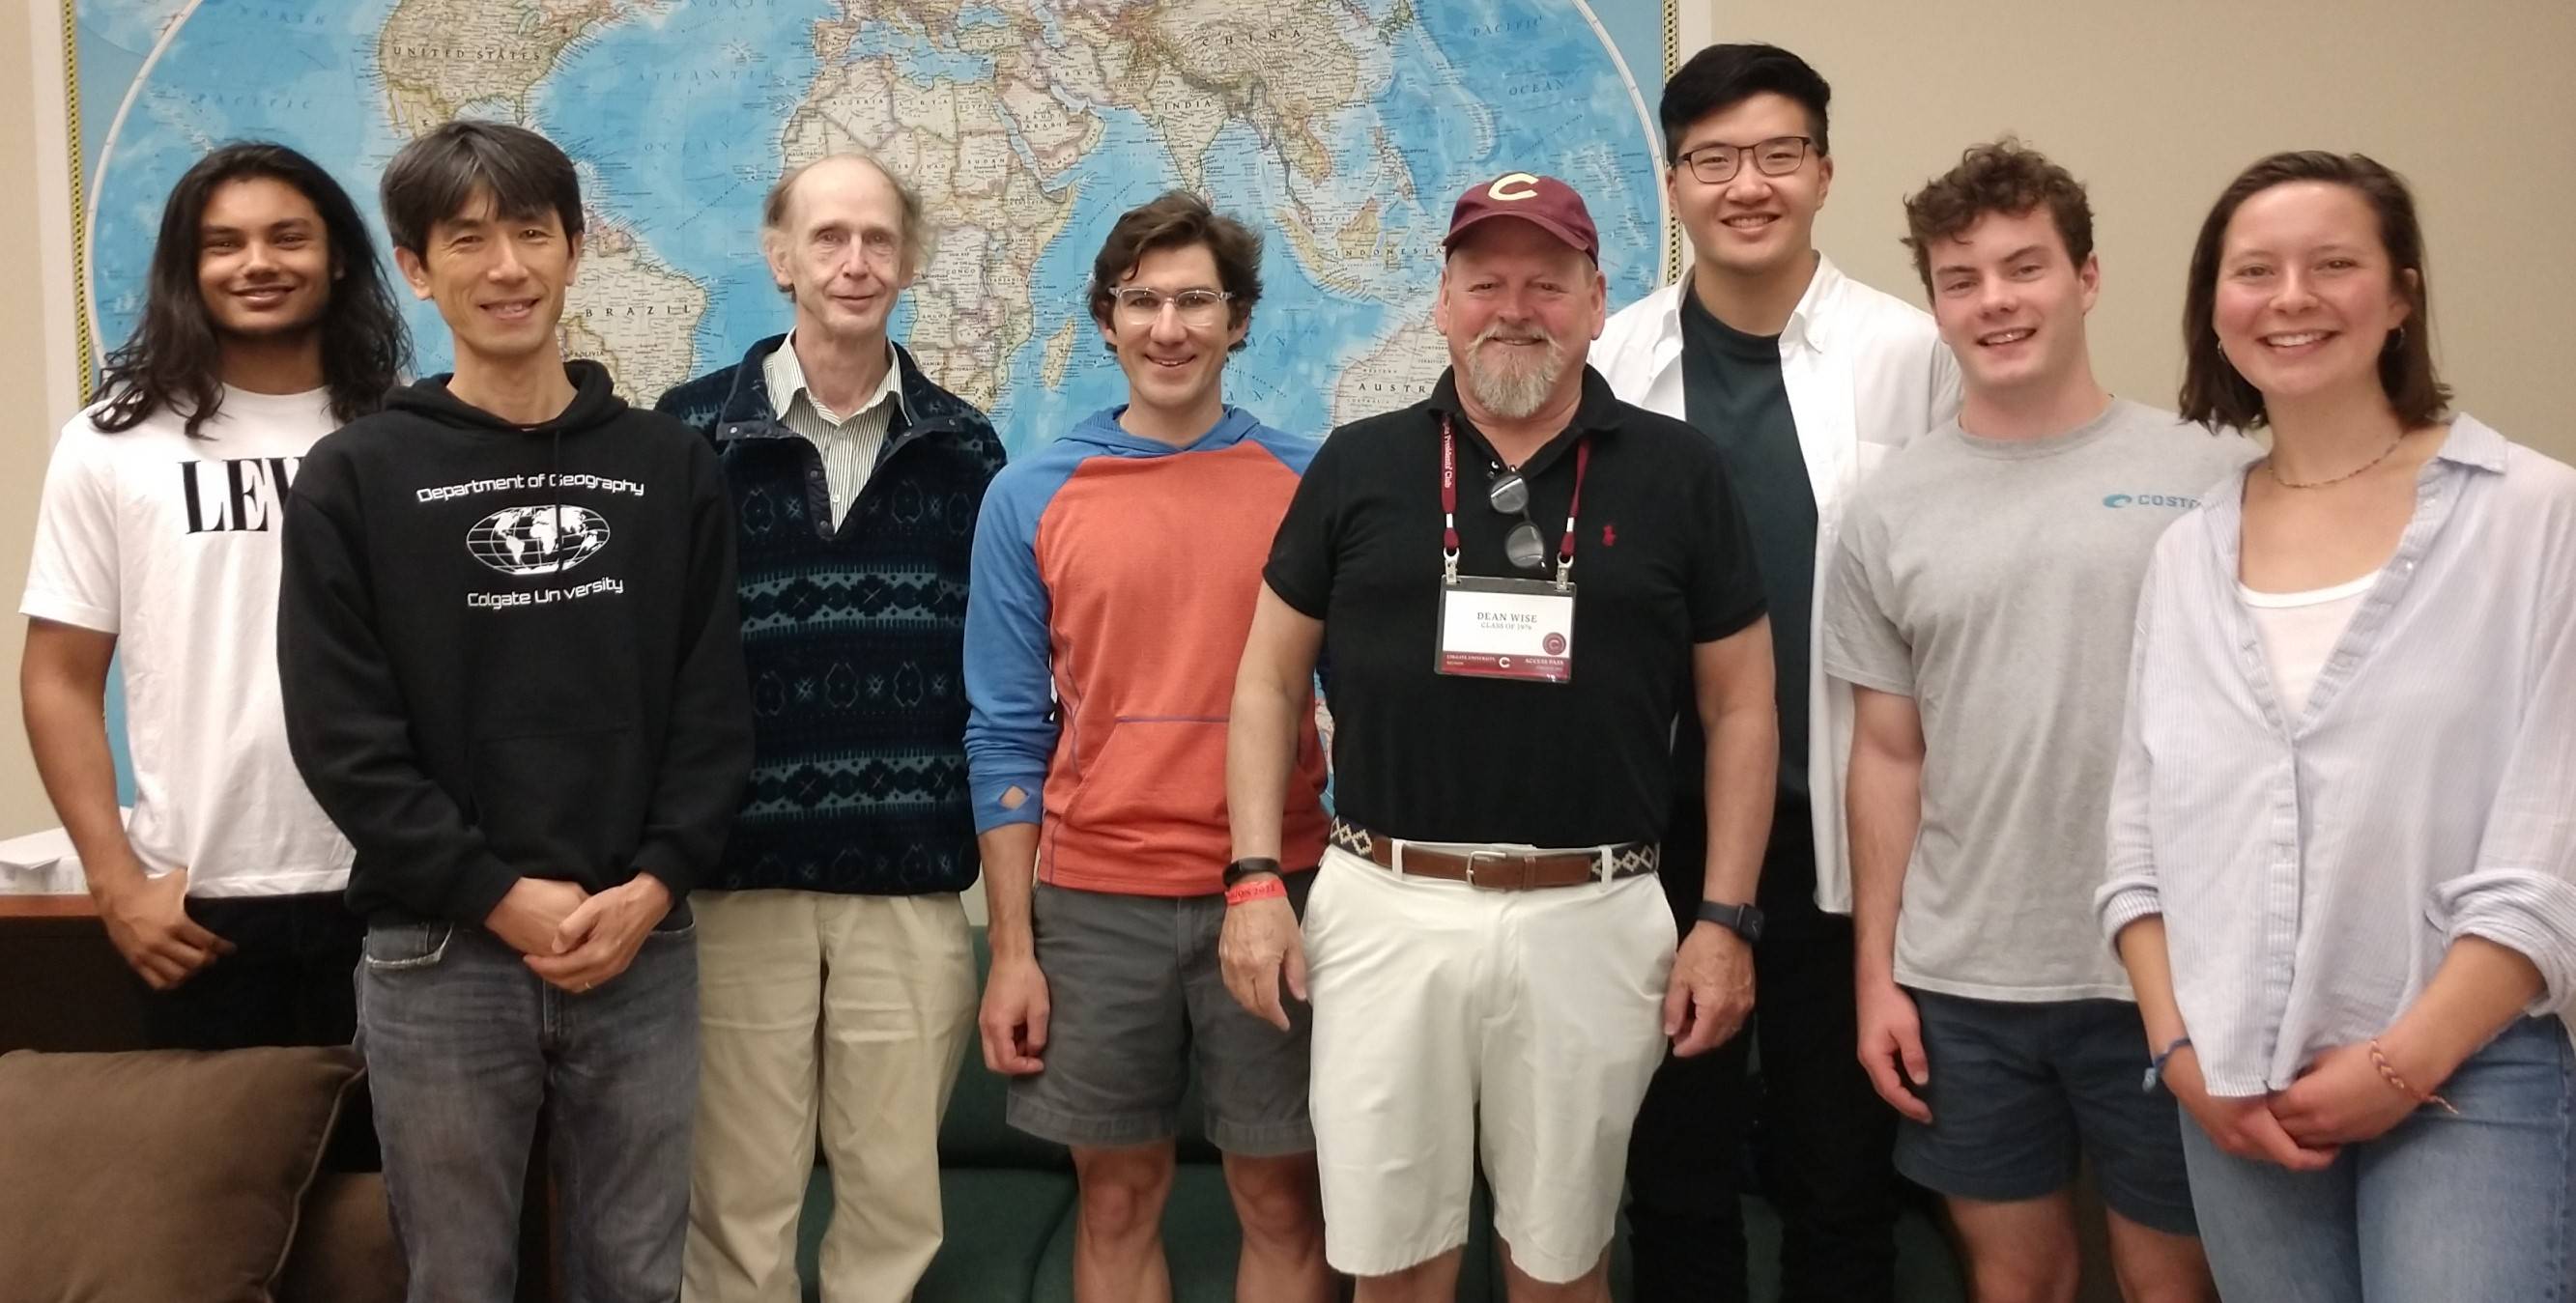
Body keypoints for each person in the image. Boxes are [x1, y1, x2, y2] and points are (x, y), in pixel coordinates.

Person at [1225, 172, 1779, 1303]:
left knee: (1561, 1261)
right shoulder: (1357, 463)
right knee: (1388, 1266)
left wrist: (1723, 915)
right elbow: (1266, 681)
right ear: (1441, 302)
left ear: (1594, 299)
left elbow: (1741, 709)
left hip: (1595, 911)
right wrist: (1248, 878)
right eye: (1484, 281)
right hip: (1386, 907)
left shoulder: (1680, 474)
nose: (1512, 307)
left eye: (1545, 281)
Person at [277, 119, 753, 1301]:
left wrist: (652, 883)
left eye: (532, 233)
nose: (506, 268)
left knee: (637, 1278)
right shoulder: (359, 475)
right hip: (439, 951)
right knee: (456, 1281)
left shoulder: (668, 464)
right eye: (469, 239)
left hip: (642, 939)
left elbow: (713, 705)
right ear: (415, 267)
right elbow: (343, 736)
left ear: (576, 250)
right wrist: (495, 891)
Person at [2099, 150, 2576, 1302]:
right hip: (2234, 1081)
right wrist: (2179, 1053)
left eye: (2332, 265)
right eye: (2251, 271)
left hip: (2468, 1073)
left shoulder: (2531, 515)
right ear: (2213, 310)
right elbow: (2136, 844)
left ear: (2401, 295)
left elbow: (2550, 841)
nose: (2290, 297)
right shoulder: (2187, 550)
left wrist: (2399, 1063)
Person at [1825, 140, 2236, 1303]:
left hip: (2166, 973)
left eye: (2023, 267)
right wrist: (1876, 976)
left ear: (2086, 277)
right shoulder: (1885, 505)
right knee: (2015, 1283)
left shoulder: (2214, 472)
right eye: (1961, 278)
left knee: (2175, 1283)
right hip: (1965, 978)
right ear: (1935, 302)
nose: (1994, 300)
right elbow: (1887, 756)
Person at [1592, 42, 1961, 1302]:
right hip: (1652, 845)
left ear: (1821, 169)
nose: (1744, 185)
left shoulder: (1905, 354)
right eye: (1711, 161)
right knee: (1672, 1174)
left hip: (1849, 843)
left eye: (1774, 155)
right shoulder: (1615, 359)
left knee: (1841, 1175)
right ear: (1675, 180)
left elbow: (1949, 595)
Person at [652, 149, 1005, 1303]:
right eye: (827, 237)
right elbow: (650, 662)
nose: (853, 262)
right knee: (736, 1200)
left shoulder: (967, 446)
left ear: (905, 262)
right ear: (779, 256)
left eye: (877, 240)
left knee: (894, 1194)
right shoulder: (684, 435)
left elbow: (1000, 672)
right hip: (731, 882)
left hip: (909, 883)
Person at [966, 190, 1332, 1303]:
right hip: (1094, 904)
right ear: (1107, 319)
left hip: (1276, 892)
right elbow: (1001, 730)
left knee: (1278, 1195)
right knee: (1116, 1194)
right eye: (1141, 301)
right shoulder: (1028, 492)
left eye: (1192, 300)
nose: (1166, 326)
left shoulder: (1312, 483)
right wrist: (1013, 949)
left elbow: (1361, 700)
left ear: (1237, 320)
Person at [21, 141, 407, 1051]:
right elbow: (59, 677)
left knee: (408, 1195)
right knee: (217, 1195)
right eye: (224, 243)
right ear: (187, 268)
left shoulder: (405, 431)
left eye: (287, 237)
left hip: (399, 886)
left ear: (338, 255)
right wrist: (115, 881)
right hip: (198, 906)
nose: (259, 263)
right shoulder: (112, 442)